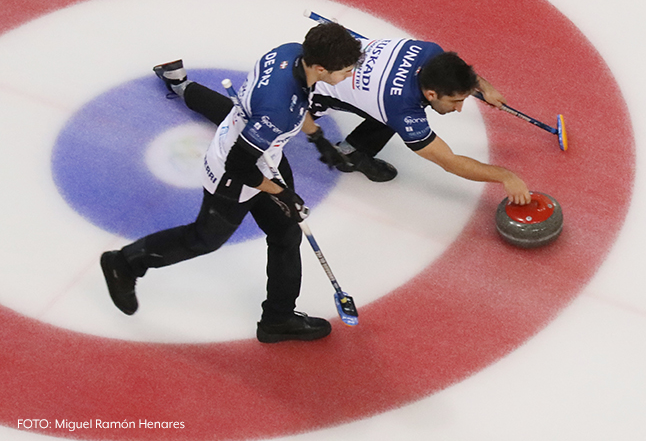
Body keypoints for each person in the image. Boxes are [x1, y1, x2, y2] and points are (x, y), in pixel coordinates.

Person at [100, 22, 364, 343]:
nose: (350, 75)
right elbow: (239, 165)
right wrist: (282, 194)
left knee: (286, 233)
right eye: (347, 70)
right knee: (204, 239)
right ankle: (124, 263)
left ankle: (277, 319)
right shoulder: (278, 111)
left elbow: (299, 102)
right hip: (235, 173)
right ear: (321, 68)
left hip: (266, 154)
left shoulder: (292, 53)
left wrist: (317, 136)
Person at [307, 33, 533, 206]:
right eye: (455, 101)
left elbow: (459, 69)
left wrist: (486, 87)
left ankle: (352, 148)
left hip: (358, 76)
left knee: (387, 110)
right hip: (312, 92)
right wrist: (506, 176)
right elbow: (449, 162)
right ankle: (347, 156)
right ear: (431, 95)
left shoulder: (432, 52)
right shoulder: (403, 110)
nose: (460, 108)